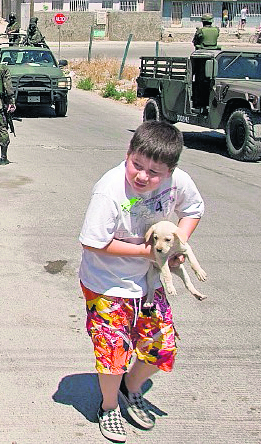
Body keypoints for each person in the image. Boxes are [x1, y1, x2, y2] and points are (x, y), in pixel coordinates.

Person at [78, 121, 204, 442]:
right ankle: (108, 407)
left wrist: (177, 241)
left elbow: (193, 209)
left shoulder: (179, 182)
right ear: (128, 154)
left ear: (171, 171)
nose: (143, 176)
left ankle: (130, 388)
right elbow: (93, 241)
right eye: (137, 165)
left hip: (149, 283)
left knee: (160, 346)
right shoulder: (109, 190)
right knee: (112, 352)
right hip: (106, 283)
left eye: (155, 171)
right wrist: (145, 252)